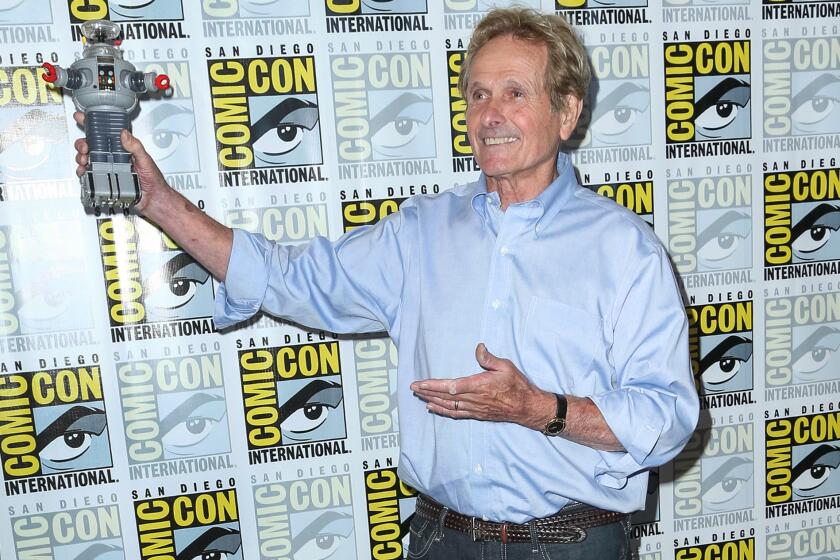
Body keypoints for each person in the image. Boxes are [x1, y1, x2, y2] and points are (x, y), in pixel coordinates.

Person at [74, 8, 698, 560]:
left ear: (567, 112)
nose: (491, 116)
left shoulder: (625, 250)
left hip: (574, 547)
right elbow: (290, 277)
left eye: (515, 93)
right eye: (478, 95)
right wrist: (159, 202)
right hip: (438, 540)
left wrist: (540, 410)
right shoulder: (420, 232)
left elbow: (667, 416)